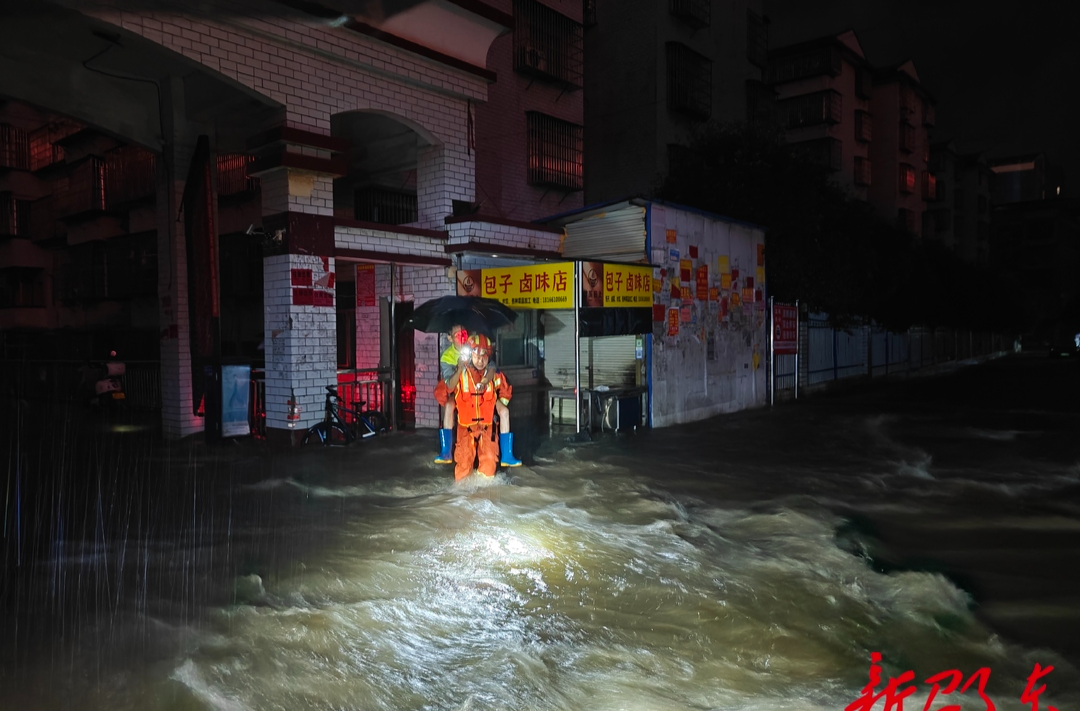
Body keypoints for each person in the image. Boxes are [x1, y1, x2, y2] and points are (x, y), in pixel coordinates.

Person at [434, 334, 520, 480]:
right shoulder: (460, 373)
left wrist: (497, 407)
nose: (481, 361)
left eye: (484, 357)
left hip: (488, 428)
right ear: (470, 355)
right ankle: (462, 497)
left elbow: (506, 391)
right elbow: (442, 391)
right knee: (463, 465)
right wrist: (452, 402)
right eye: (477, 356)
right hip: (465, 428)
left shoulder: (495, 374)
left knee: (489, 465)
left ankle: (486, 496)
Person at [434, 324, 469, 463]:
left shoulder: (473, 346)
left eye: (464, 334)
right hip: (457, 391)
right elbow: (450, 385)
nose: (462, 338)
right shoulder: (447, 357)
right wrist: (460, 367)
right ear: (449, 338)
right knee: (449, 406)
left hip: (475, 390)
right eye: (457, 335)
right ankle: (446, 450)